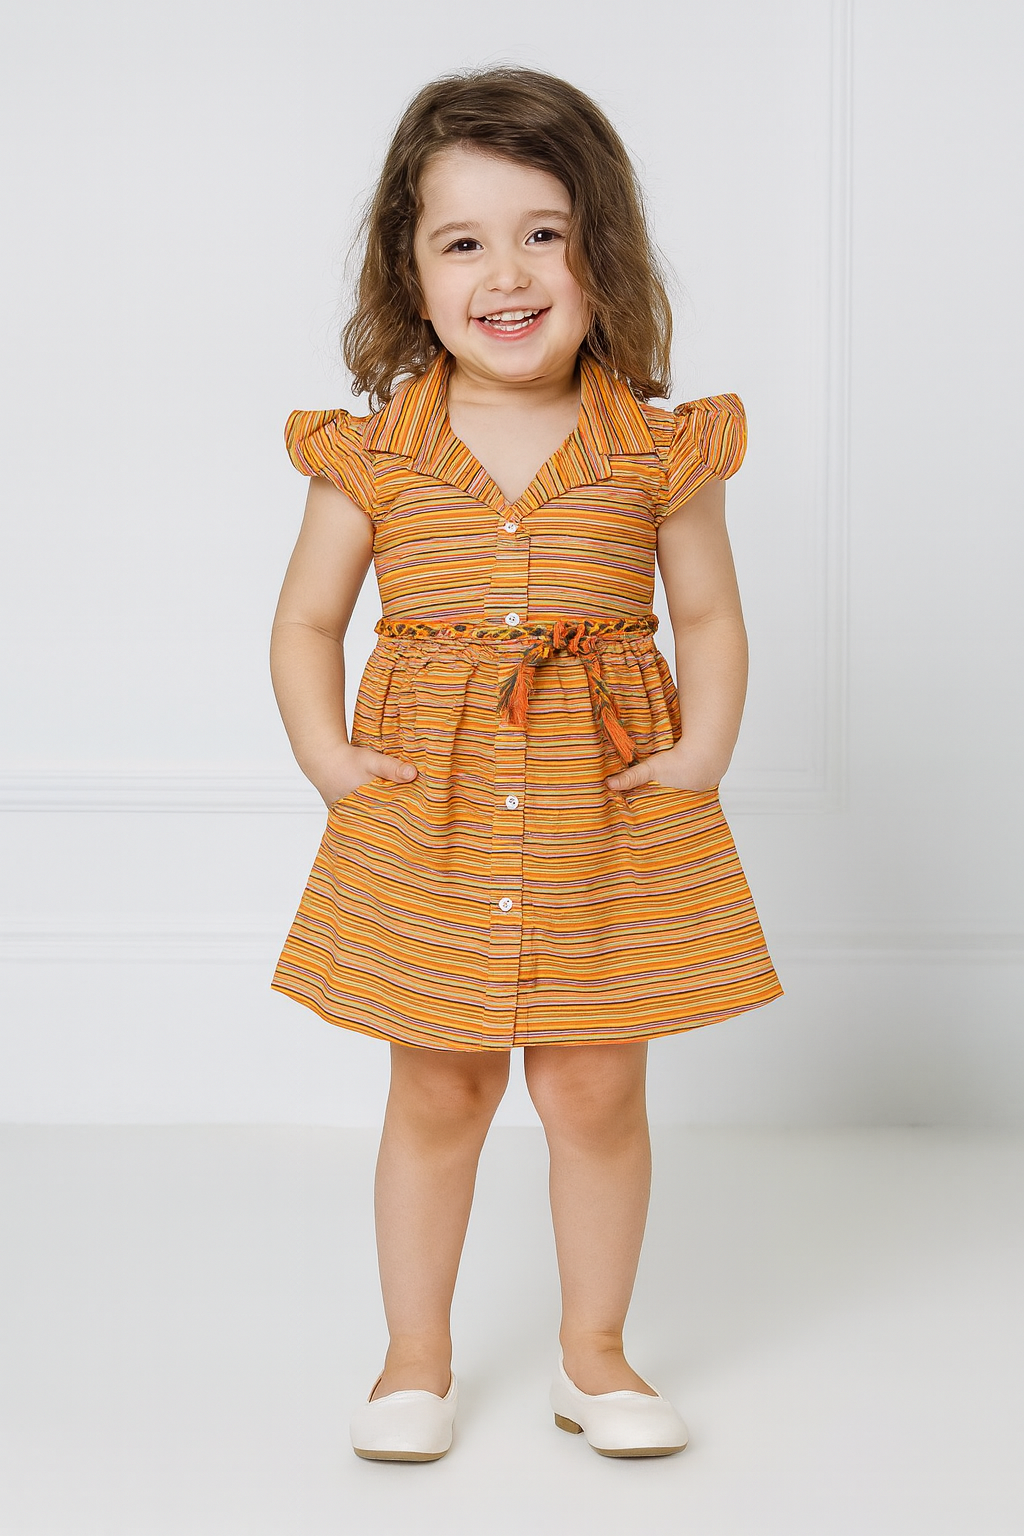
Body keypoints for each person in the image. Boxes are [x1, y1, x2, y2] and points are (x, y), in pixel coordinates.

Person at [269, 65, 784, 1463]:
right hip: (427, 817)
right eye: (464, 241)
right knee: (438, 1088)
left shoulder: (659, 451)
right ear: (411, 272)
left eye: (544, 233)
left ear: (602, 252)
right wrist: (327, 755)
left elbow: (710, 616)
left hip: (602, 816)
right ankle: (413, 1360)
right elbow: (308, 620)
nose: (506, 273)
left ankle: (594, 1355)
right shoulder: (373, 456)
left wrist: (704, 748)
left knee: (595, 1090)